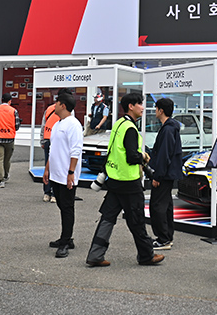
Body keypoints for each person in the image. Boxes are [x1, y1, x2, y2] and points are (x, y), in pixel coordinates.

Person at [86, 92, 163, 268]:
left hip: (114, 180)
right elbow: (131, 156)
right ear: (131, 106)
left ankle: (95, 254)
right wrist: (143, 156)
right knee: (136, 219)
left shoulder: (119, 124)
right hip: (129, 182)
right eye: (140, 104)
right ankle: (146, 255)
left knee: (108, 218)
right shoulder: (130, 128)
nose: (143, 107)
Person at [44, 90, 83, 258]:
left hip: (67, 174)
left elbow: (76, 151)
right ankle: (66, 237)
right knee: (61, 205)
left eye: (57, 103)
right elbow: (52, 149)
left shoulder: (74, 124)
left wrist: (71, 172)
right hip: (55, 173)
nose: (54, 106)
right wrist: (47, 168)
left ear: (63, 106)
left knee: (67, 208)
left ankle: (66, 241)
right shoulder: (58, 123)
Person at [148, 97, 182, 251]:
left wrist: (157, 176)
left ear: (161, 110)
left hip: (164, 174)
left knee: (158, 206)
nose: (155, 111)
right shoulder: (170, 127)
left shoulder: (168, 129)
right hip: (169, 174)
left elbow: (164, 155)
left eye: (156, 108)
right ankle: (167, 236)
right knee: (166, 205)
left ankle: (163, 239)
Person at [0, 94, 19, 187]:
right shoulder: (13, 111)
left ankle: (1, 180)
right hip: (9, 138)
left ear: (1, 100)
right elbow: (17, 125)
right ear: (10, 101)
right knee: (7, 159)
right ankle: (6, 175)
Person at [40, 98, 60, 202]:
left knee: (48, 166)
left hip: (48, 139)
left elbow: (43, 125)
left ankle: (47, 193)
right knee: (55, 167)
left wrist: (42, 140)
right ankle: (53, 194)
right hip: (55, 141)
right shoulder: (67, 110)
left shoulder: (49, 109)